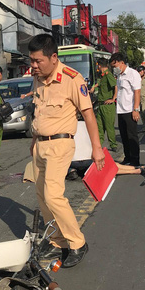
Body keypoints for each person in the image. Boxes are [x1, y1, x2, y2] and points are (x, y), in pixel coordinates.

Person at [28, 33, 104, 268]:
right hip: (39, 144)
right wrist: (34, 141)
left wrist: (97, 148)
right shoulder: (38, 78)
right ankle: (57, 239)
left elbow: (88, 114)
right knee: (42, 196)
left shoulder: (72, 79)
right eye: (31, 60)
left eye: (38, 61)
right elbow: (38, 111)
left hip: (60, 144)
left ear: (53, 57)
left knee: (54, 195)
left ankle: (77, 242)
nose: (33, 66)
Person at [110, 52, 142, 167]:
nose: (114, 69)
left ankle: (135, 160)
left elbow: (137, 92)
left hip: (130, 110)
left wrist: (136, 109)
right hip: (121, 110)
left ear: (122, 63)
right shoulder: (119, 76)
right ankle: (127, 158)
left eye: (115, 66)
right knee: (124, 136)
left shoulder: (133, 74)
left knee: (132, 136)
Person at [93, 66, 118, 151]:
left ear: (100, 66)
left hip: (107, 106)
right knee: (99, 127)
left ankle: (113, 145)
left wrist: (113, 99)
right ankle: (98, 145)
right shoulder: (102, 75)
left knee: (109, 126)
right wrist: (93, 87)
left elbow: (115, 86)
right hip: (100, 105)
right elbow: (100, 84)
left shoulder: (108, 75)